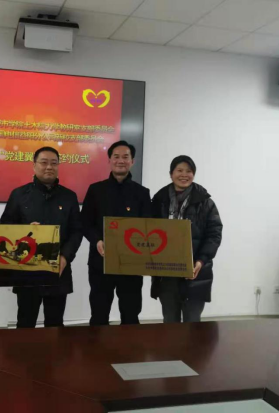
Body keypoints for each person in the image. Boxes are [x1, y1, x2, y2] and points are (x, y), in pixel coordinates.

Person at [1, 147, 82, 328]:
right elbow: (5, 227)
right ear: (34, 165)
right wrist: (24, 232)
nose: (49, 167)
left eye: (54, 163)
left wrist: (65, 257)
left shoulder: (69, 197)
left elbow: (77, 231)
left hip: (58, 270)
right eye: (44, 162)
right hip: (27, 271)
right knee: (25, 323)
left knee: (55, 324)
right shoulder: (19, 195)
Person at [81, 140, 151, 326]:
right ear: (109, 160)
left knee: (130, 314)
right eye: (116, 156)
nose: (121, 161)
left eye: (126, 157)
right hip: (101, 261)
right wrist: (97, 240)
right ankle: (97, 345)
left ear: (132, 161)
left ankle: (129, 346)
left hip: (132, 263)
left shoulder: (142, 193)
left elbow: (148, 226)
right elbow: (85, 223)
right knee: (99, 313)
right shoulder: (96, 190)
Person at [151, 155, 223, 323]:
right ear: (171, 174)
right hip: (166, 273)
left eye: (188, 171)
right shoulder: (159, 200)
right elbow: (149, 231)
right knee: (170, 322)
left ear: (193, 174)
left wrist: (201, 261)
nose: (184, 175)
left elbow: (214, 234)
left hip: (195, 272)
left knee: (192, 322)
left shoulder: (206, 203)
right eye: (179, 170)